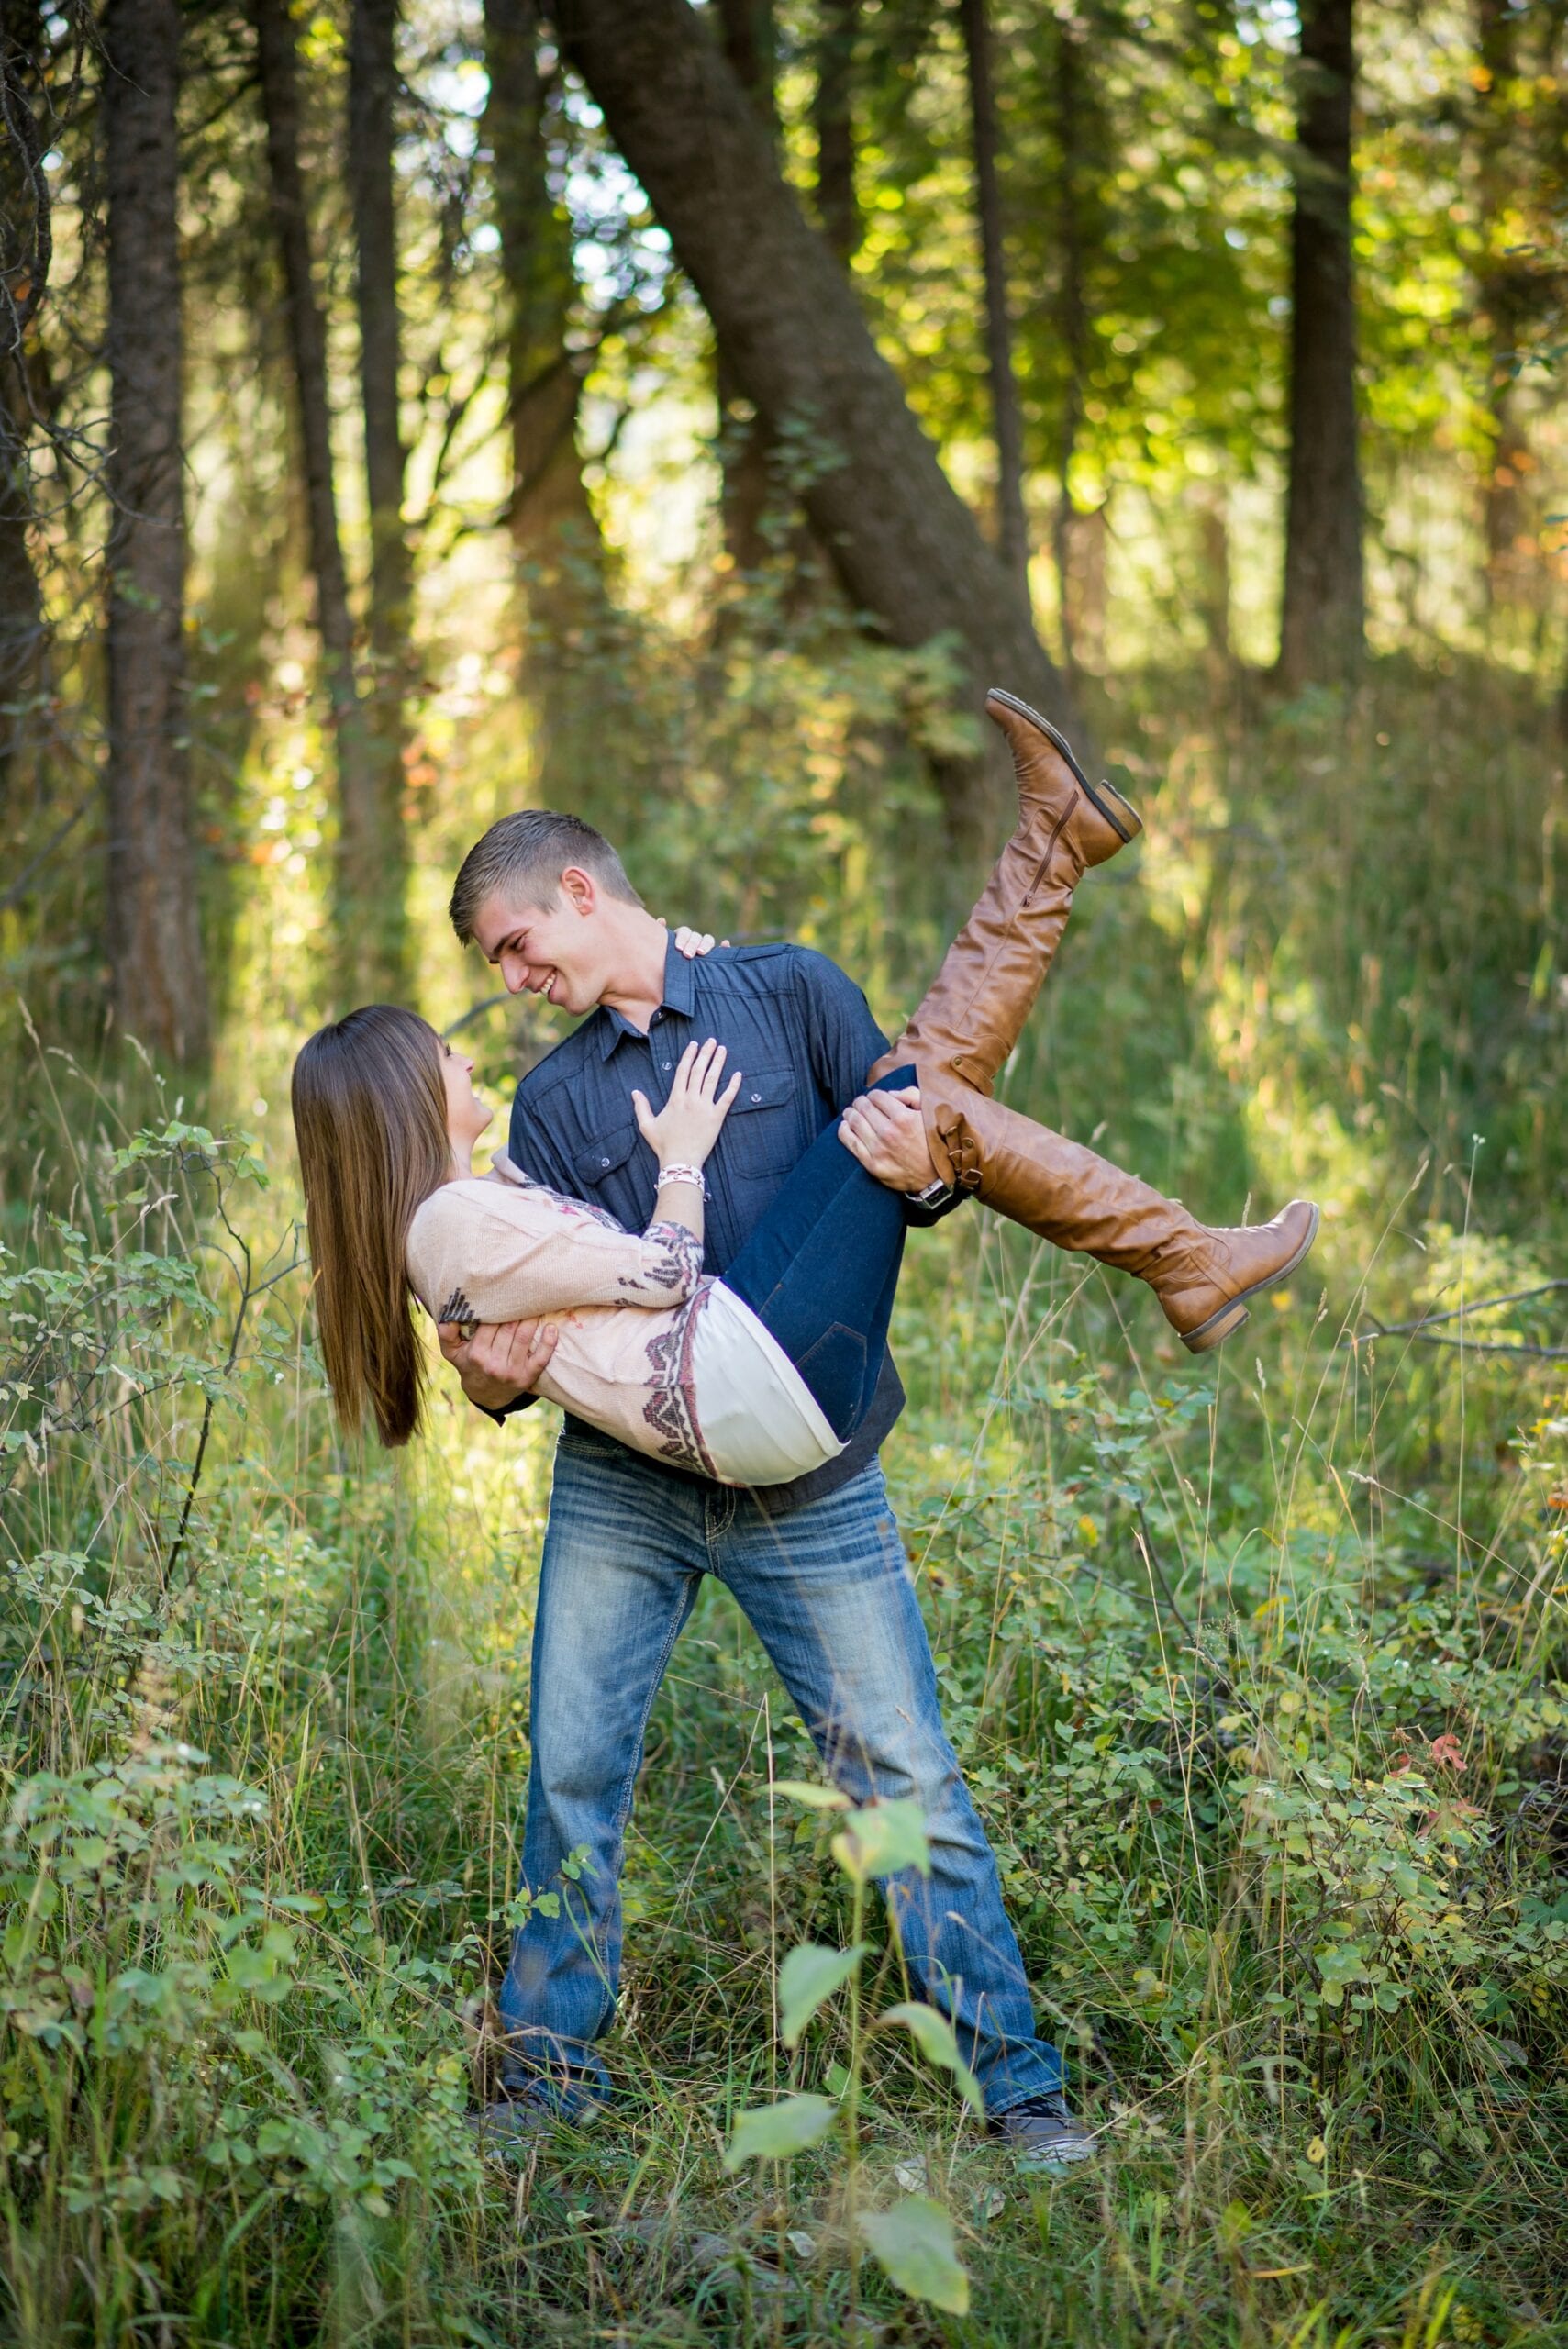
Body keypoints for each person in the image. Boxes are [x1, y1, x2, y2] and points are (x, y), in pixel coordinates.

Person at [292, 691, 1319, 2165]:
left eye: (519, 944)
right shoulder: (545, 1099)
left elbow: (922, 1156)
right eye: (498, 967)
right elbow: (530, 1319)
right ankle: (541, 2082)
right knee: (570, 1772)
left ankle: (1016, 2092)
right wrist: (489, 1369)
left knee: (905, 1776)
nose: (513, 981)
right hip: (632, 1478)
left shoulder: (785, 990)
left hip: (808, 1454)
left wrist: (918, 1174)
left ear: (580, 890)